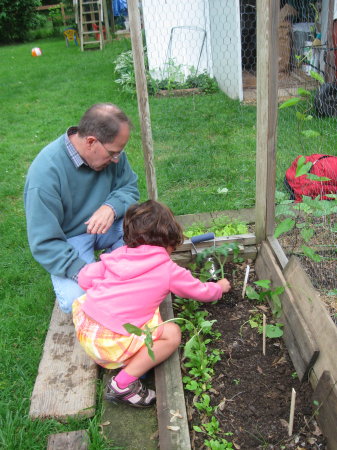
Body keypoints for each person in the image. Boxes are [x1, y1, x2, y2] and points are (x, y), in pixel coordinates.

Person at [72, 200, 231, 408]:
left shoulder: (118, 254)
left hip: (86, 330)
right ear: (170, 240)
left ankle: (124, 358)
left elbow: (84, 279)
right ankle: (122, 385)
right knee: (172, 333)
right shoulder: (168, 270)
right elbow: (200, 292)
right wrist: (219, 287)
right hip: (108, 347)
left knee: (145, 310)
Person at [24, 103, 139, 314]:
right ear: (91, 142)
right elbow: (44, 242)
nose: (117, 160)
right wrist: (82, 271)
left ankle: (113, 267)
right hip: (70, 239)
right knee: (79, 300)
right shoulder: (45, 175)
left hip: (109, 226)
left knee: (145, 232)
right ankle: (106, 272)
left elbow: (129, 187)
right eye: (113, 153)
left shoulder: (114, 154)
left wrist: (111, 207)